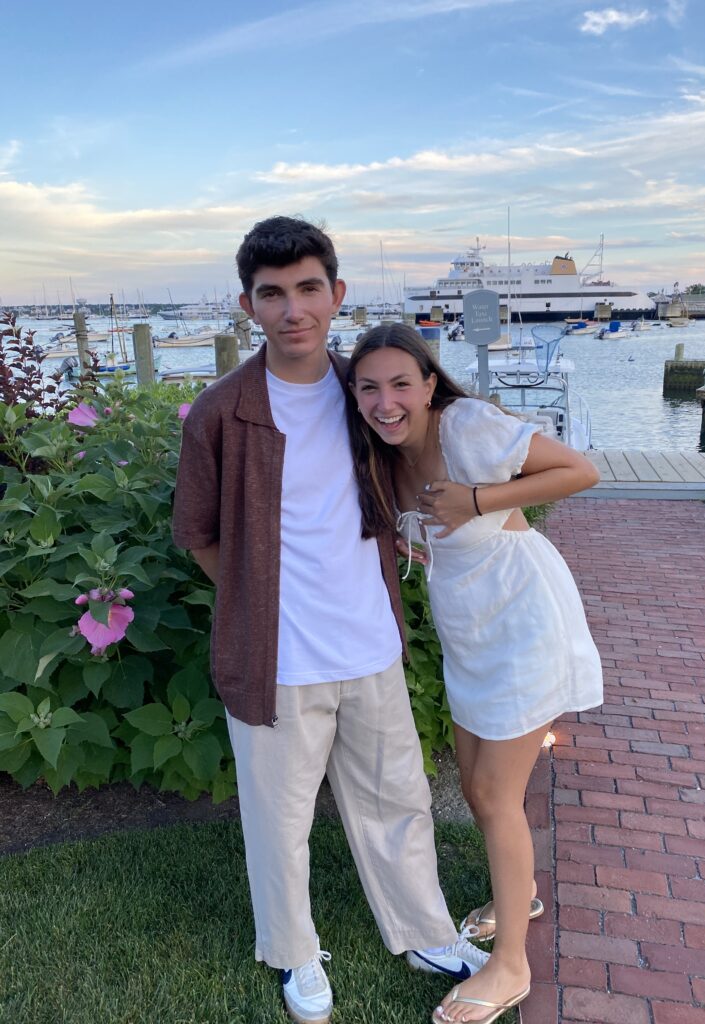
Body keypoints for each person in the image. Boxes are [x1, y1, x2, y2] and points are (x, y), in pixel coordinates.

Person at [171, 217, 487, 1024]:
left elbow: (436, 458)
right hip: (275, 656)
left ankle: (423, 931)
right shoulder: (219, 412)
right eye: (272, 294)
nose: (293, 309)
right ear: (249, 305)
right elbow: (197, 532)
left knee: (399, 799)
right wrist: (256, 598)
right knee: (278, 821)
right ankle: (294, 952)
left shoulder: (367, 393)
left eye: (309, 288)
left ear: (336, 294)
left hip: (371, 642)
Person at [348, 323, 604, 1024]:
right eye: (368, 387)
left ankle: (512, 966)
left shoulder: (466, 427)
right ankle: (516, 897)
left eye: (402, 383)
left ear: (430, 385)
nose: (386, 400)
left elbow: (581, 471)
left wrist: (478, 500)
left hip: (524, 622)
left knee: (492, 793)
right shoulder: (379, 457)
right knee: (474, 783)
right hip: (469, 630)